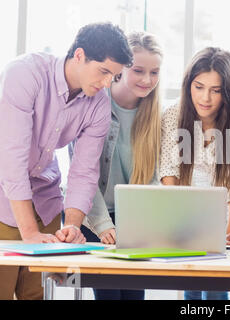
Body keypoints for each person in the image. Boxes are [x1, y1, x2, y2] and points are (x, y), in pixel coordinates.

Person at [0, 22, 132, 300]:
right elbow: (11, 160)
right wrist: (30, 233)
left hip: (45, 204)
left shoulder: (98, 104)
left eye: (115, 76)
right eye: (104, 71)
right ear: (80, 55)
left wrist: (72, 225)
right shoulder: (24, 74)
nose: (108, 83)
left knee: (39, 294)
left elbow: (84, 172)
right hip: (4, 200)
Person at [160, 47, 230, 300]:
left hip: (229, 210)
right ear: (188, 85)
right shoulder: (173, 113)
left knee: (215, 288)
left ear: (228, 92)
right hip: (186, 211)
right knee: (191, 285)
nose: (205, 98)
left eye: (216, 90)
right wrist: (176, 222)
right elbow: (169, 171)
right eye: (199, 87)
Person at [73, 31, 163, 300]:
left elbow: (154, 180)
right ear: (121, 68)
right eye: (139, 70)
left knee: (135, 296)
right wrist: (104, 226)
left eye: (155, 72)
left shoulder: (155, 115)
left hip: (134, 221)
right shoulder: (92, 103)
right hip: (93, 217)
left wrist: (142, 225)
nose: (148, 80)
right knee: (110, 295)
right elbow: (82, 176)